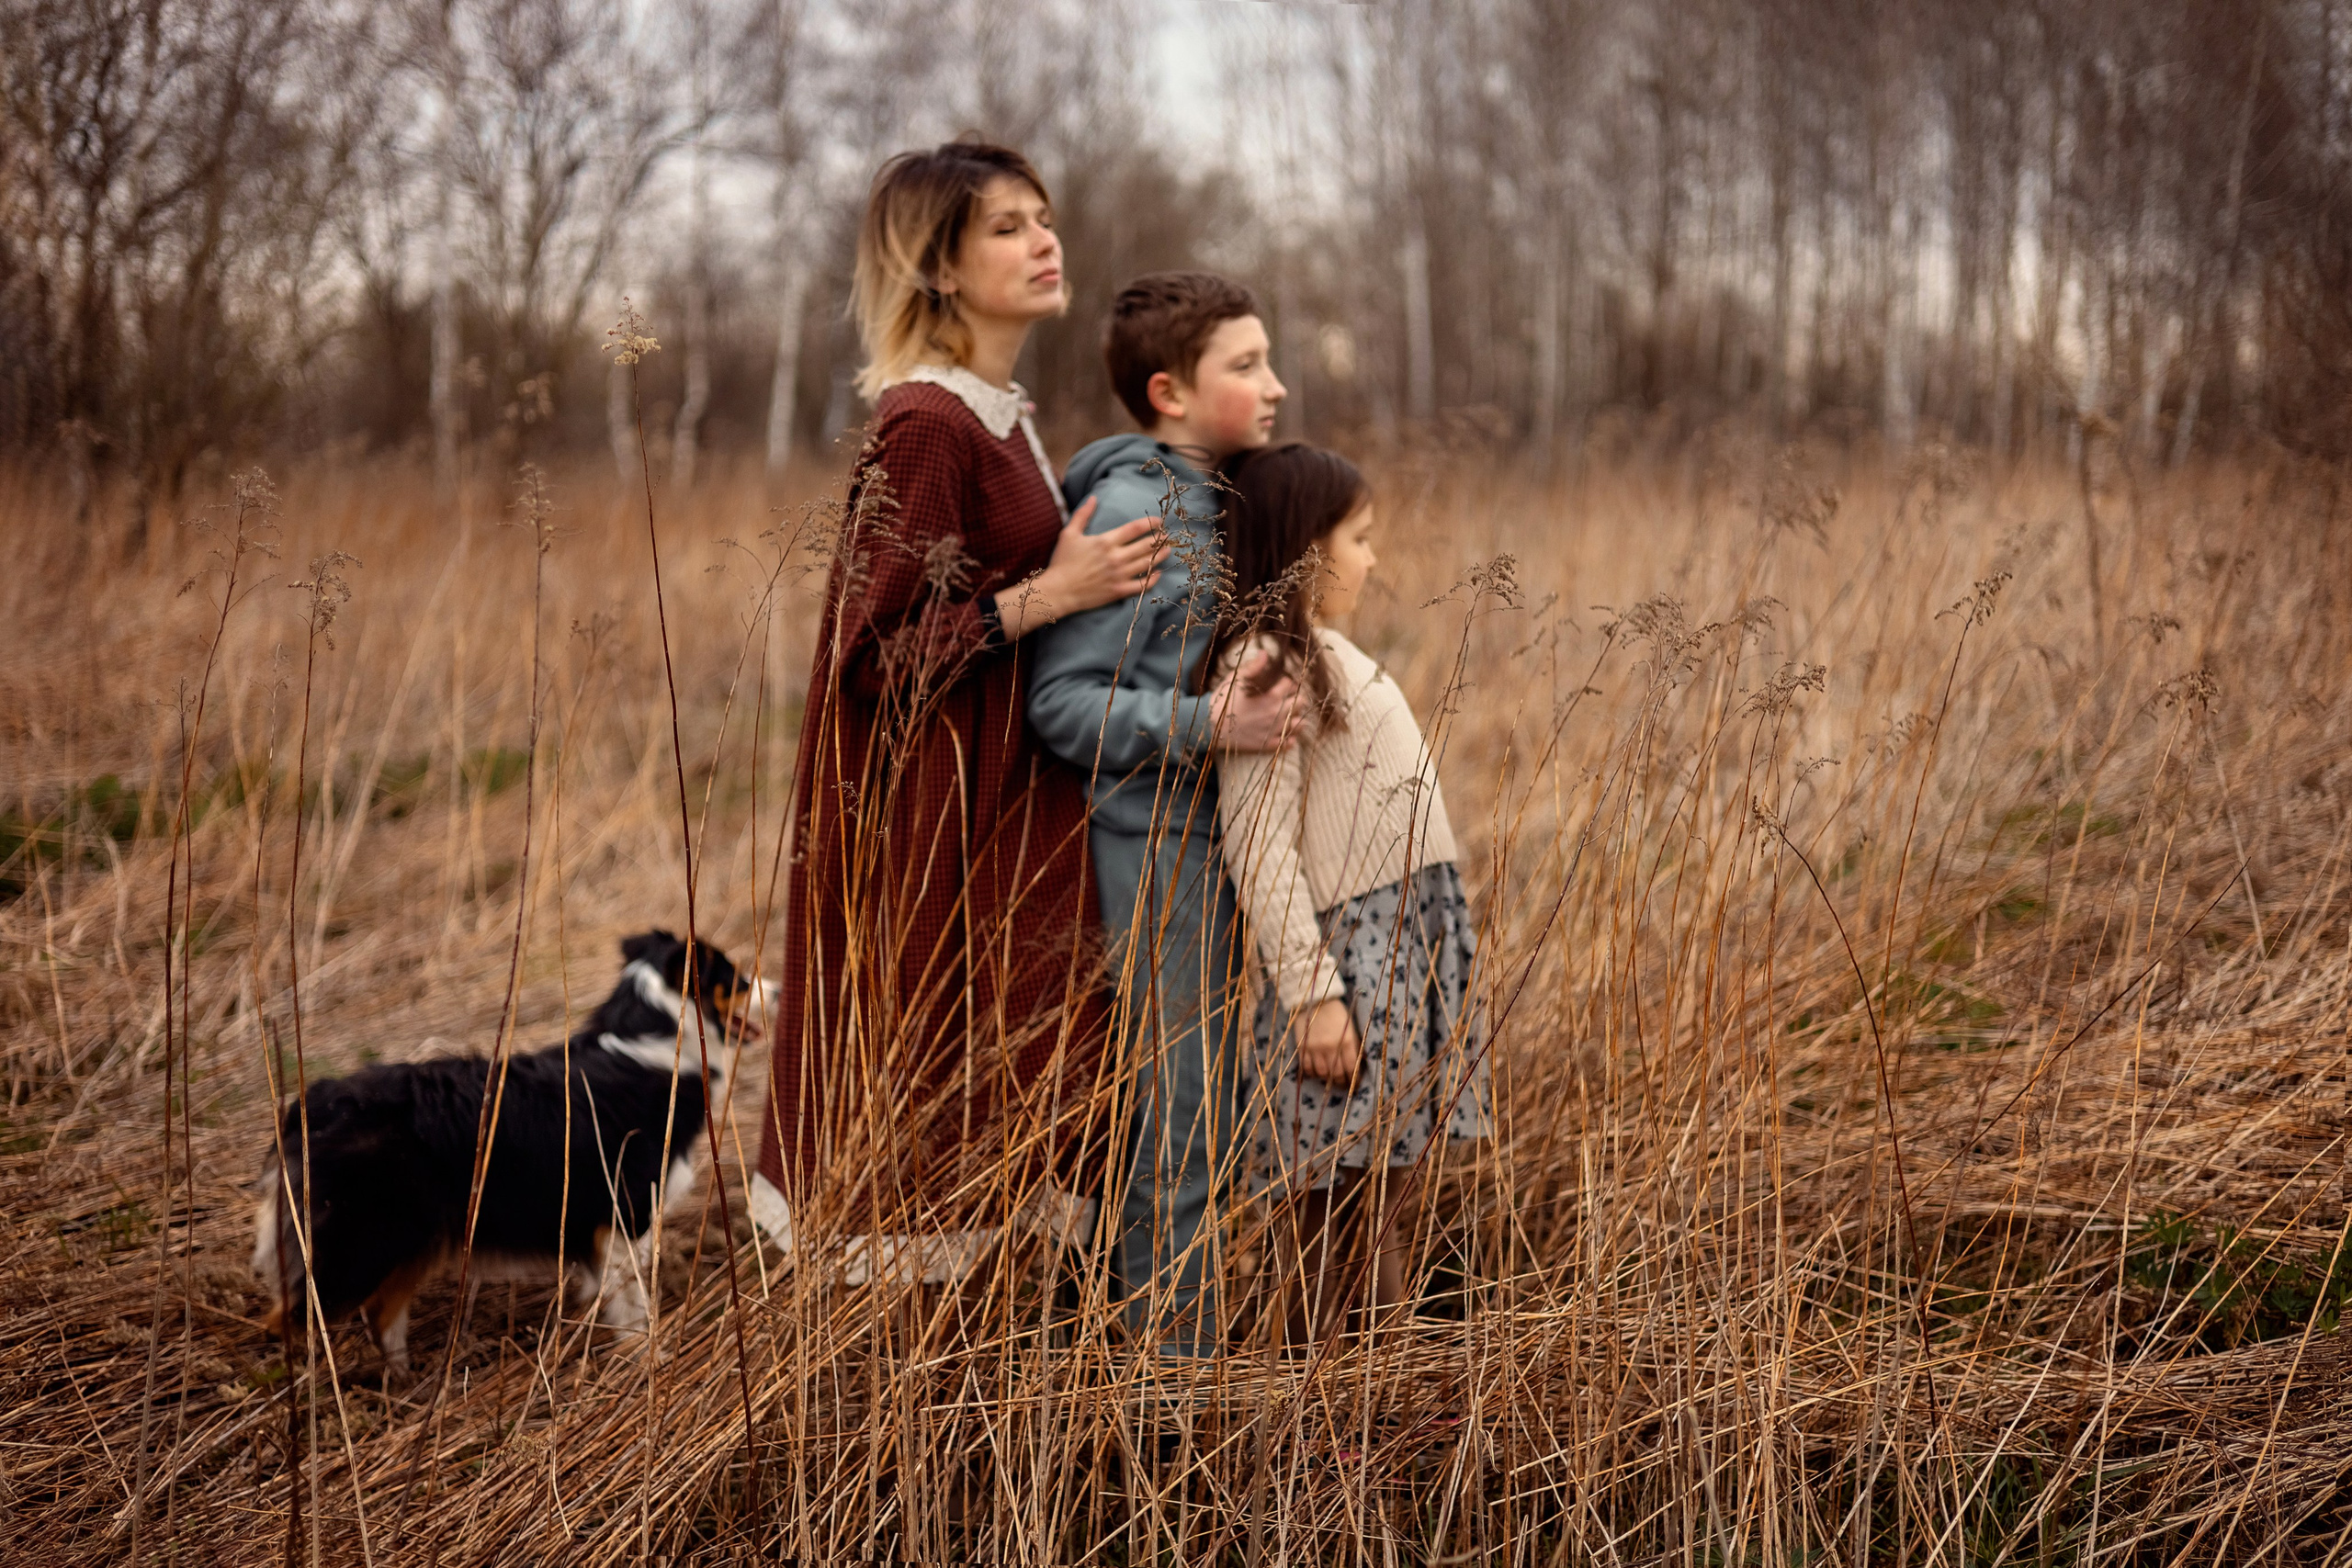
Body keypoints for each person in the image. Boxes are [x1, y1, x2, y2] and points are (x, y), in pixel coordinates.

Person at [752, 141, 1184, 1281]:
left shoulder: (1000, 413)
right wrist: (1053, 594)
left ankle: (1027, 1337)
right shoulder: (927, 425)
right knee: (944, 1064)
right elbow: (868, 659)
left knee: (1049, 1050)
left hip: (1005, 807)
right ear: (936, 266)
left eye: (1043, 218)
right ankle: (912, 1379)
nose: (1044, 241)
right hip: (934, 821)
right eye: (1005, 226)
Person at [1028, 272, 1297, 1354]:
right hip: (1150, 847)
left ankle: (1157, 1346)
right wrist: (1206, 726)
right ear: (1167, 391)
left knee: (1209, 1113)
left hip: (1204, 840)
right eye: (1246, 365)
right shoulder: (1141, 509)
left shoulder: (1209, 497)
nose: (1275, 386)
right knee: (1181, 1118)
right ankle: (1168, 1401)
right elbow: (1061, 704)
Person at [1208, 443, 1492, 1343]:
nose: (1373, 559)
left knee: (1384, 1202)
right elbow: (1258, 844)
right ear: (1306, 547)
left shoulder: (1315, 650)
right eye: (1359, 538)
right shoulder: (1264, 664)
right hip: (1351, 969)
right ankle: (1338, 1417)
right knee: (1345, 1217)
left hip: (1398, 952)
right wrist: (1315, 995)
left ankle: (1375, 1397)